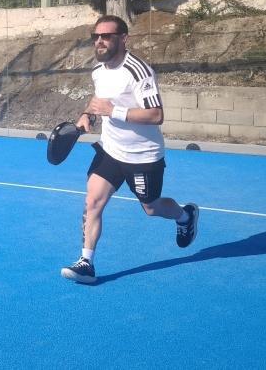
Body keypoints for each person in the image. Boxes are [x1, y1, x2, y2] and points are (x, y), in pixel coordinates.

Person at [60, 15, 199, 284]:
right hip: (111, 151)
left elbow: (156, 115)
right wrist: (87, 114)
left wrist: (114, 111)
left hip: (143, 156)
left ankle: (185, 215)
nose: (100, 41)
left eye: (107, 36)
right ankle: (86, 262)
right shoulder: (98, 71)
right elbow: (98, 99)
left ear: (123, 38)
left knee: (151, 207)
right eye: (96, 37)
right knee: (92, 202)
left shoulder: (139, 71)